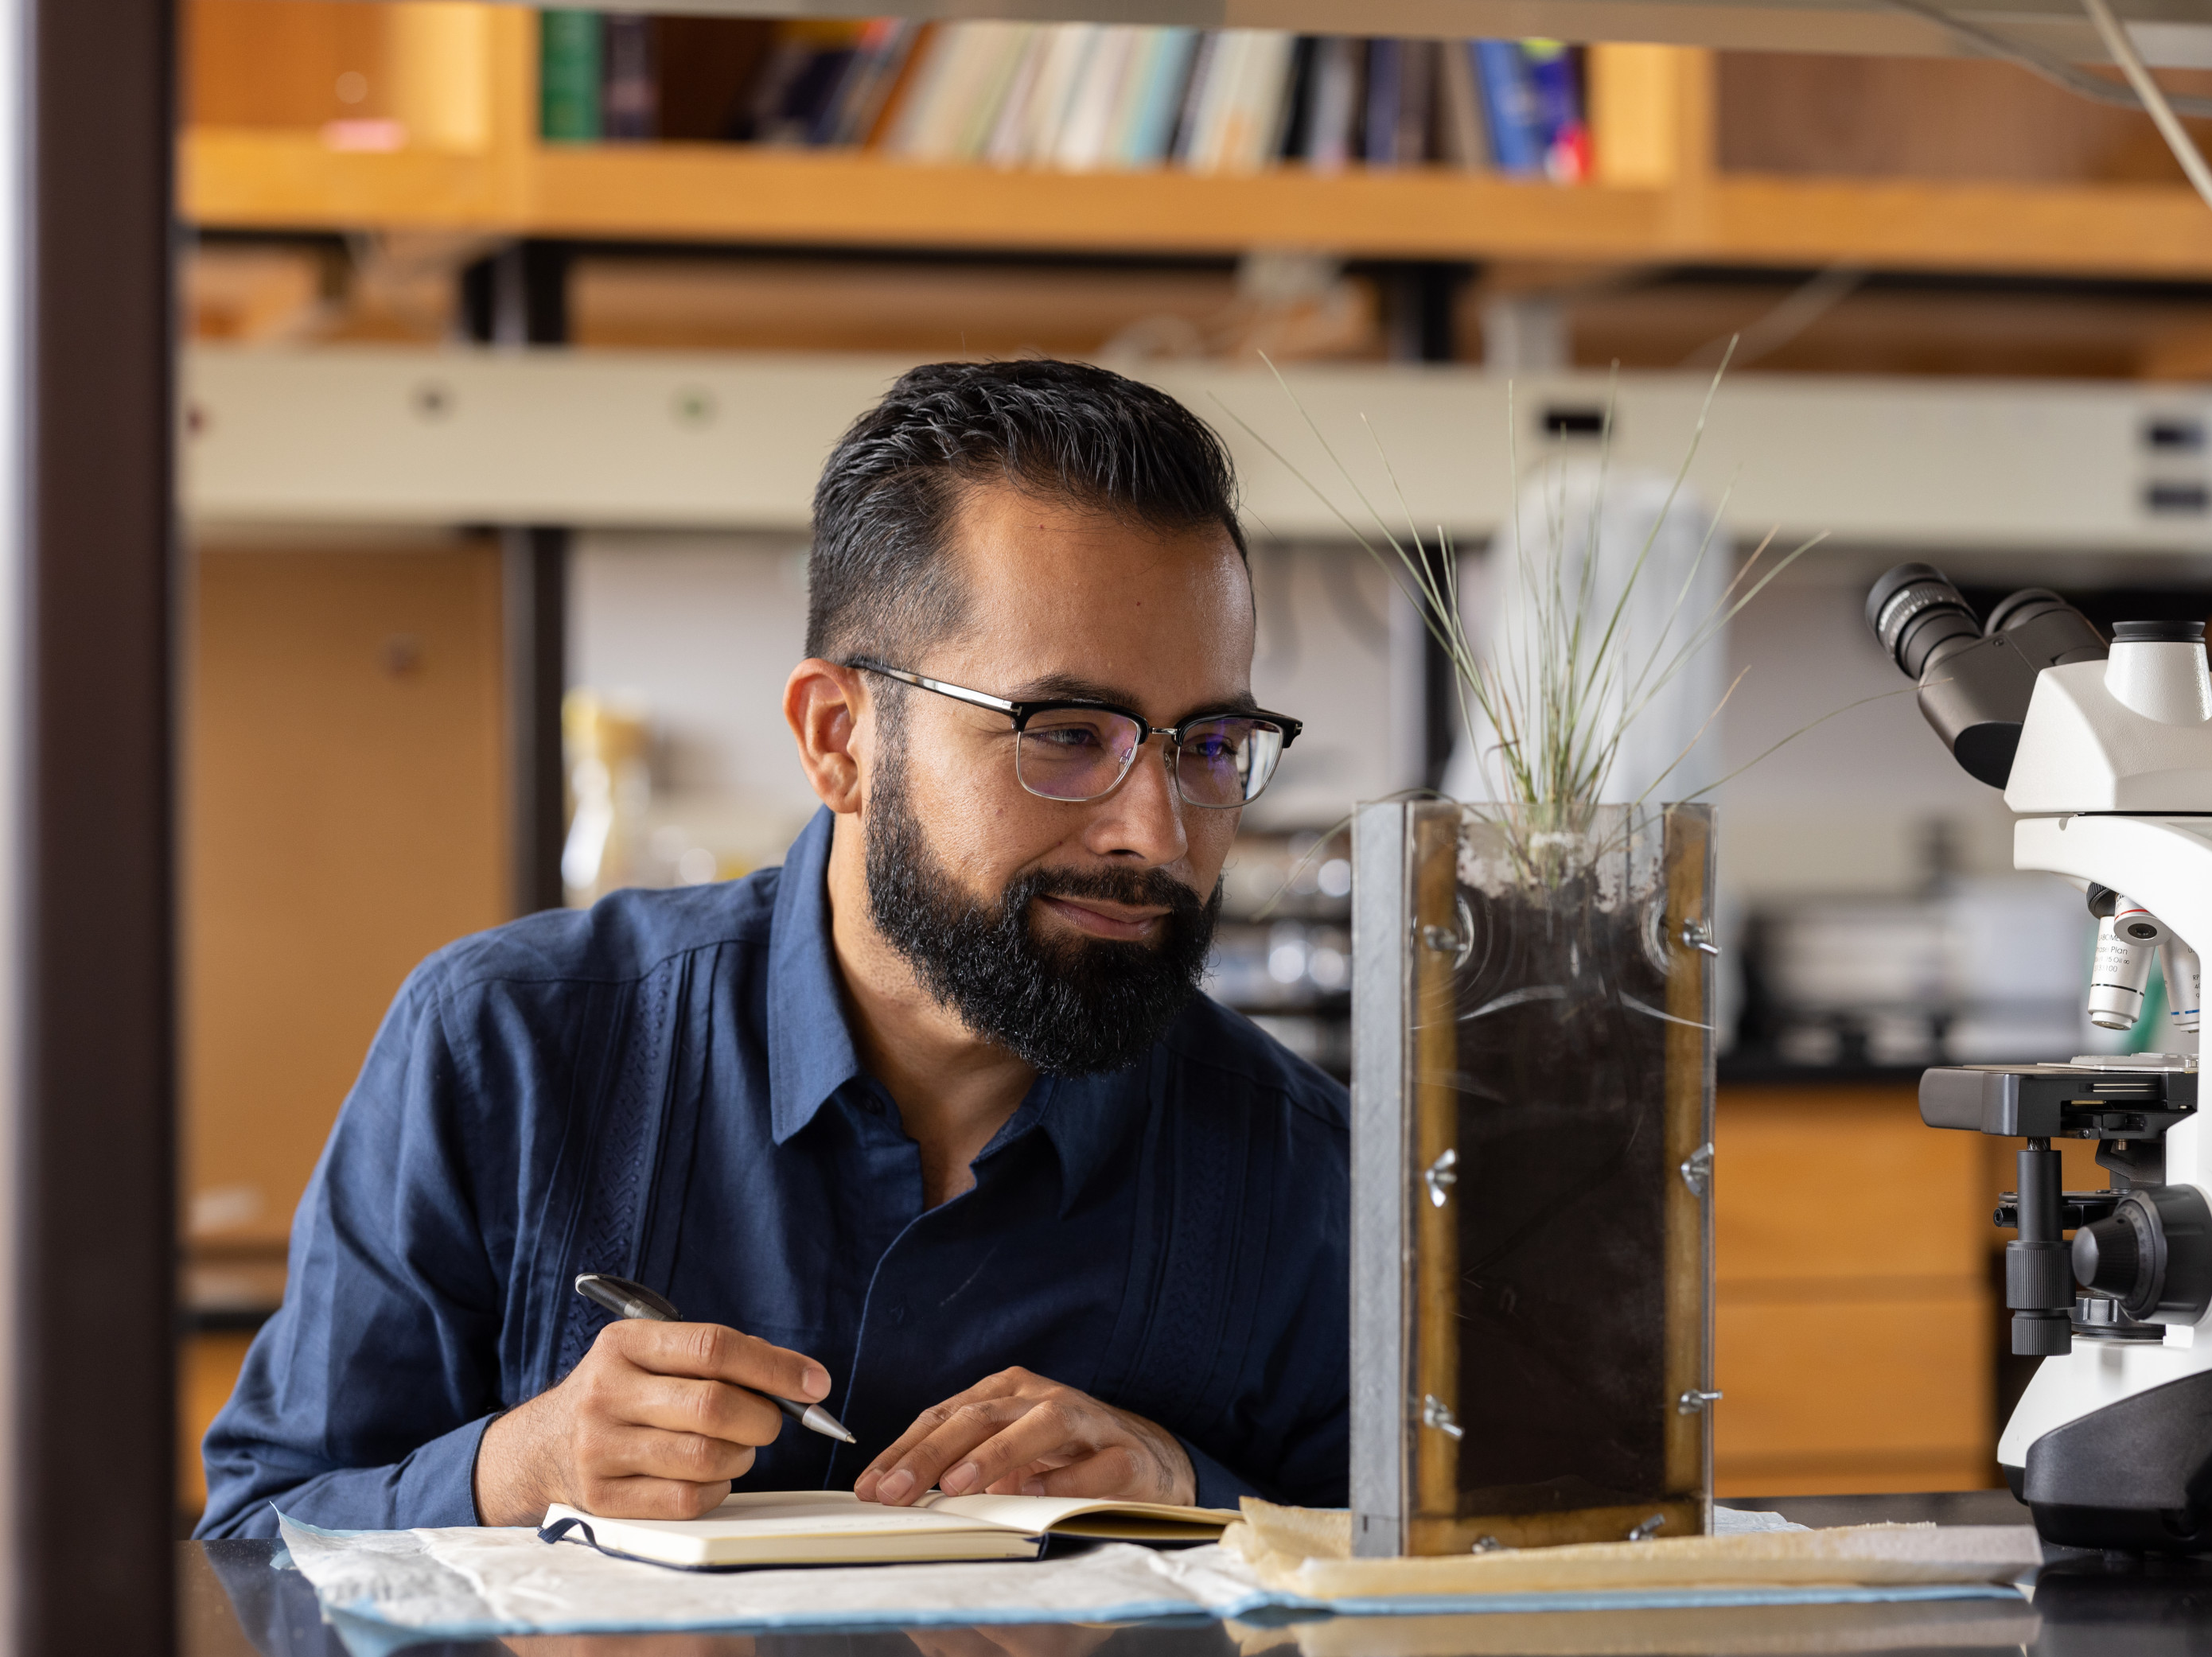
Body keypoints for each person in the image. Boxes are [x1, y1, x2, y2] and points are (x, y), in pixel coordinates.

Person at [196, 360, 1348, 1537]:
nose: (1155, 830)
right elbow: (253, 1545)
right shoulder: (503, 1051)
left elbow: (1440, 1595)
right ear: (839, 736)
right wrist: (517, 1471)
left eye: (1208, 743)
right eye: (1063, 733)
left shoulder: (1304, 1170)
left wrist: (1198, 1499)